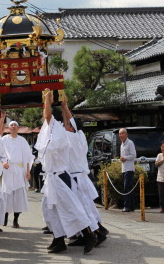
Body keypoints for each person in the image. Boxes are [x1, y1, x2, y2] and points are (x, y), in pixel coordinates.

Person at [35, 89, 97, 254]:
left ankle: (90, 234)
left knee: (73, 208)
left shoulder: (62, 133)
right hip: (53, 178)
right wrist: (62, 105)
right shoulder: (58, 130)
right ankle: (58, 239)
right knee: (52, 210)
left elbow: (48, 117)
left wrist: (47, 100)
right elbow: (53, 118)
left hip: (61, 177)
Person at [60, 94, 109, 247]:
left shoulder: (72, 137)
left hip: (76, 179)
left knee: (82, 208)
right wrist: (64, 106)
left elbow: (69, 122)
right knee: (87, 206)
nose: (64, 125)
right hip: (81, 177)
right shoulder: (80, 135)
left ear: (71, 128)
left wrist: (64, 106)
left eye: (67, 124)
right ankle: (94, 231)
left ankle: (97, 233)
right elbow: (70, 121)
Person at [1, 121, 33, 228]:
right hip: (8, 169)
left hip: (19, 170)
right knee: (6, 194)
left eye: (15, 125)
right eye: (11, 125)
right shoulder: (4, 140)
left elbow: (28, 157)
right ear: (8, 128)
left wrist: (28, 171)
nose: (13, 126)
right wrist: (3, 162)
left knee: (18, 196)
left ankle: (15, 219)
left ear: (18, 128)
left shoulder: (22, 141)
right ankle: (4, 217)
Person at [119, 128, 137, 212]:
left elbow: (134, 155)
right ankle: (132, 206)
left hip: (129, 169)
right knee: (128, 188)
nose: (121, 135)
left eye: (122, 133)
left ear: (126, 134)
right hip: (124, 168)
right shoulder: (121, 145)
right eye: (120, 134)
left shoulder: (130, 143)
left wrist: (125, 158)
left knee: (127, 188)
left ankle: (127, 206)